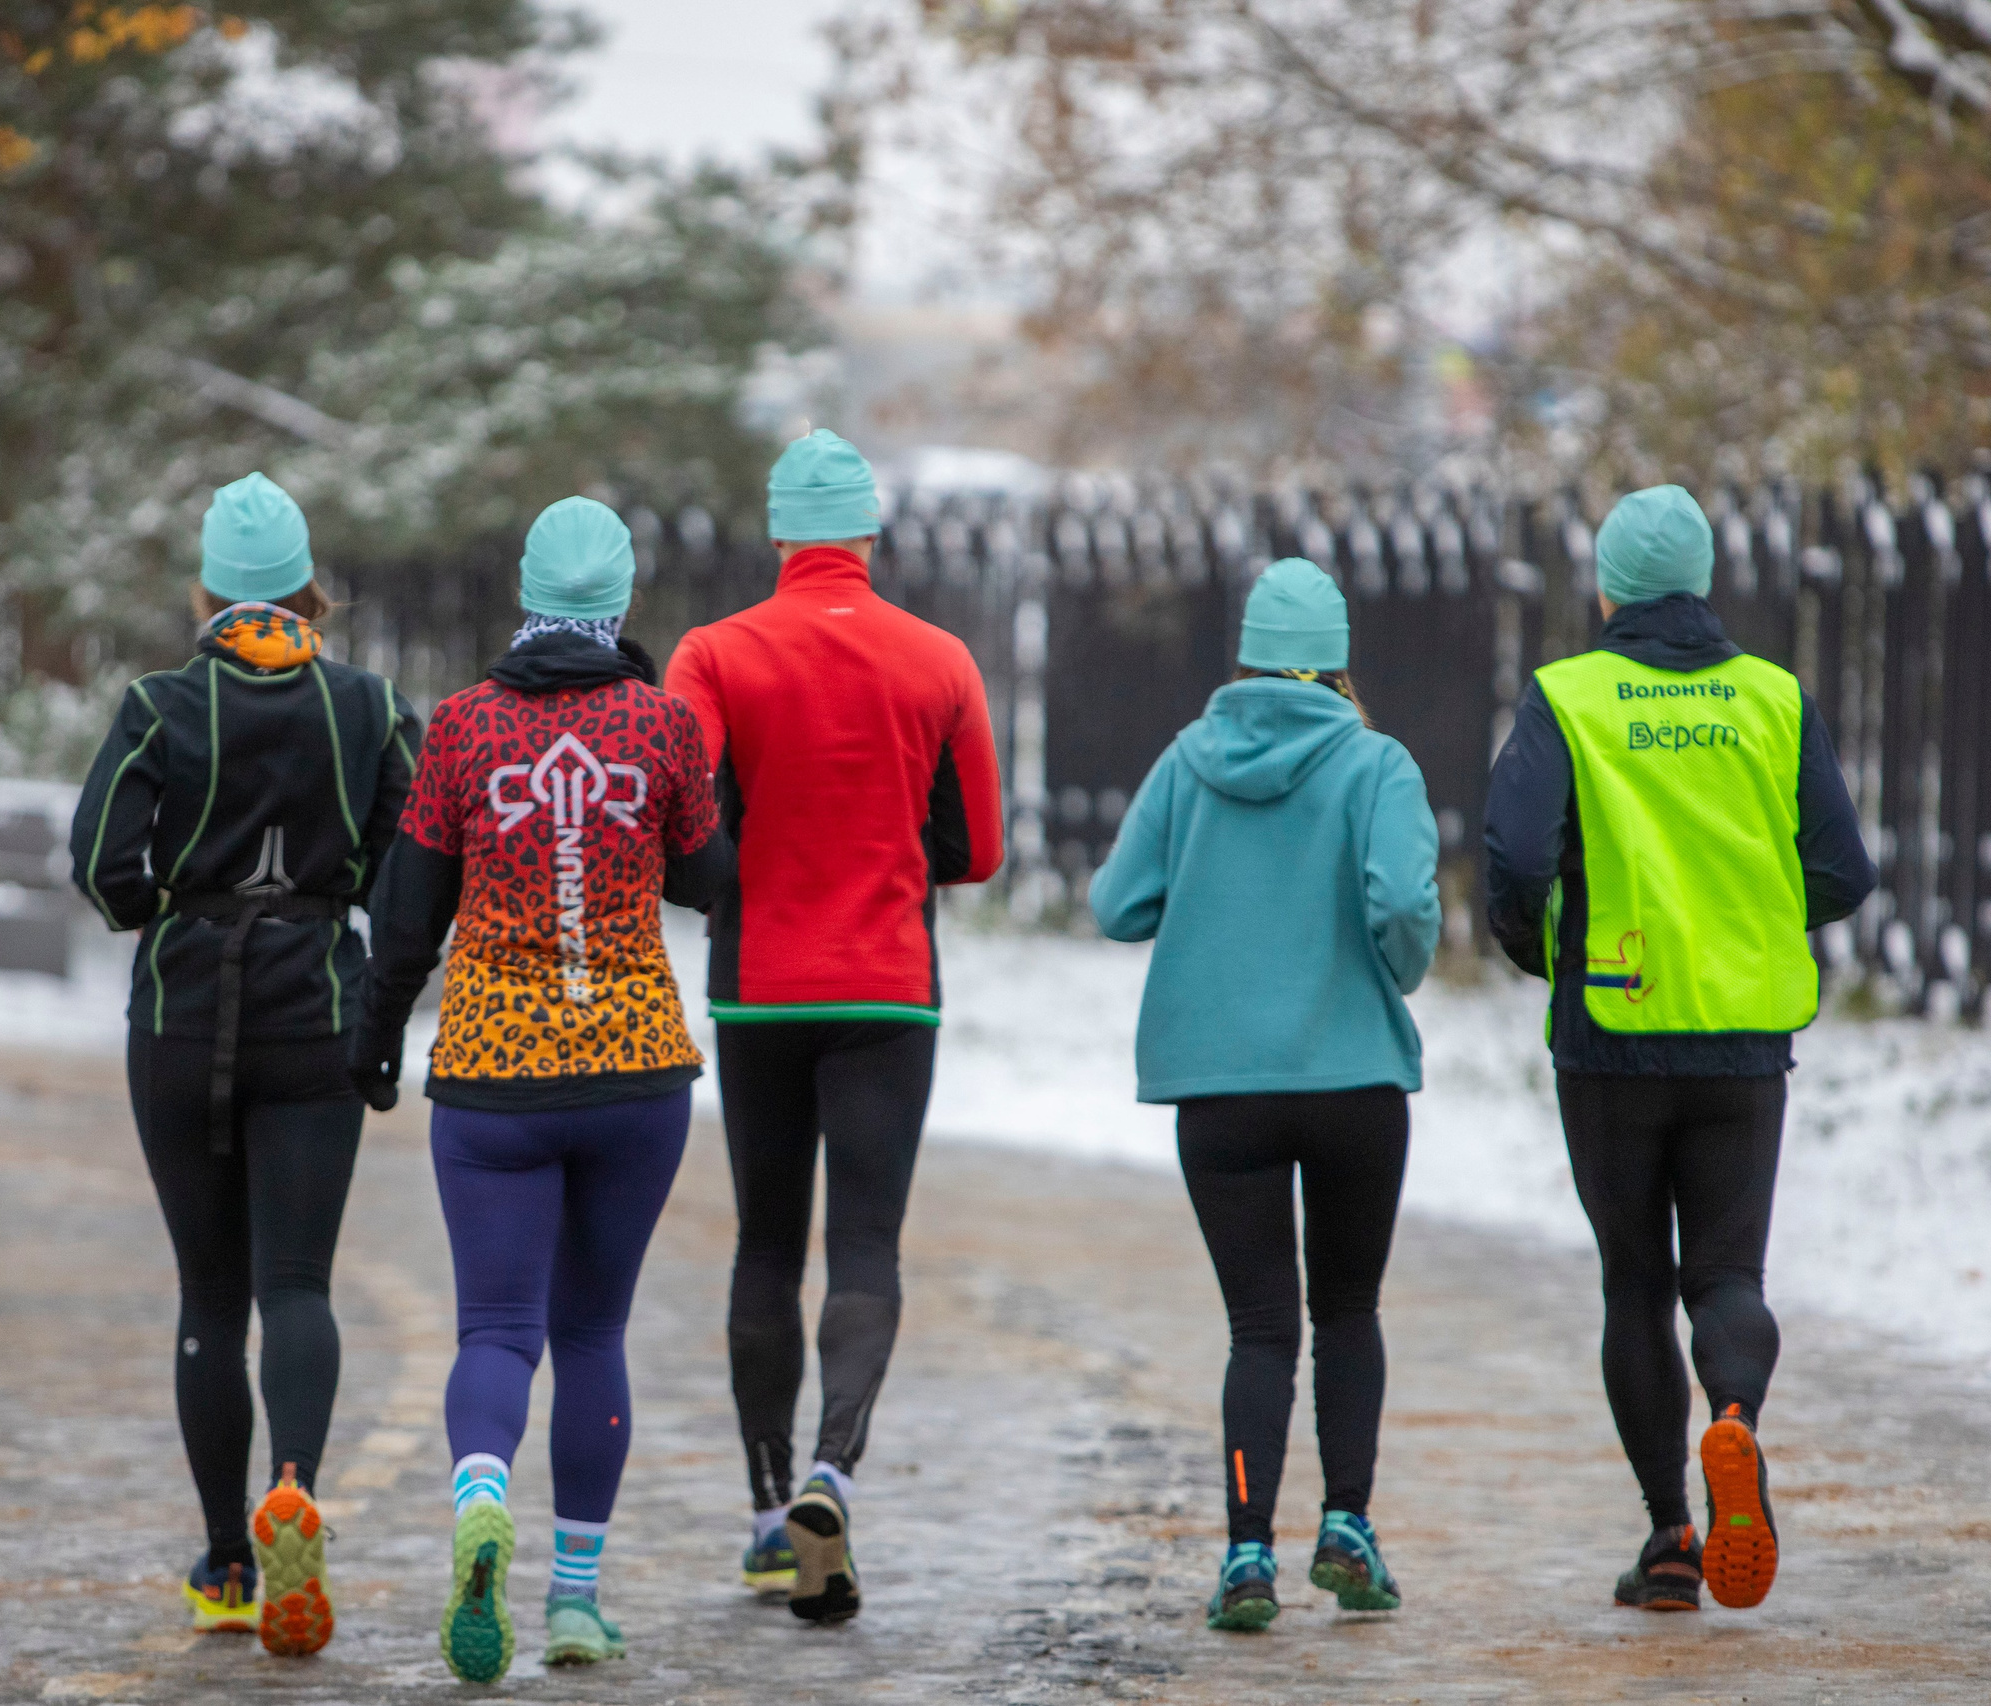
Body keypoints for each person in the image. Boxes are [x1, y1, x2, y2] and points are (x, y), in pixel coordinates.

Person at [349, 497, 734, 1681]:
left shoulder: (459, 731)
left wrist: (372, 1041)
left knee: (498, 1329)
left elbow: (404, 916)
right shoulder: (663, 726)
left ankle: (478, 1498)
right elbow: (710, 880)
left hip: (491, 1078)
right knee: (593, 1328)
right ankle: (574, 1597)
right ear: (621, 605)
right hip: (633, 1071)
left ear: (526, 595)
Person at [1484, 485, 1874, 1613]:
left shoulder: (1568, 696)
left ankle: (1666, 1537)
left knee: (1633, 1281)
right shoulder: (1773, 700)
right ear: (1701, 580)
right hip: (1744, 1033)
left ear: (1606, 585)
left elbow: (1512, 860)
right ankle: (1736, 1418)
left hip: (1610, 1029)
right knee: (1728, 1273)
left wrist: (1543, 951)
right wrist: (1742, 903)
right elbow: (1843, 871)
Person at [69, 471, 419, 1655]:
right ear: (307, 588)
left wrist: (172, 899)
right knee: (298, 1286)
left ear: (209, 589)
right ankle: (297, 1483)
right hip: (317, 1006)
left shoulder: (159, 703)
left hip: (184, 1012)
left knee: (209, 1295)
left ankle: (226, 1556)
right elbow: (410, 862)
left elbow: (103, 868)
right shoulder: (367, 704)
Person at [664, 429, 1005, 1624]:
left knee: (765, 1243)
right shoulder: (940, 659)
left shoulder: (712, 654)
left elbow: (682, 820)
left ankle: (767, 1518)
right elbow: (977, 849)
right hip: (886, 986)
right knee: (866, 1245)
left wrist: (739, 874)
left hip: (760, 988)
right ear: (867, 534)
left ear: (777, 536)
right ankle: (831, 1470)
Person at [1087, 557, 1441, 1632]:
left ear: (1243, 651)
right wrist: (1396, 961)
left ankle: (1245, 1554)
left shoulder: (1189, 761)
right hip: (1352, 1080)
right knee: (1346, 1310)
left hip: (1220, 1087)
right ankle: (1346, 1525)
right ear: (1337, 661)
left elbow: (1116, 903)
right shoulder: (1377, 764)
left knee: (1257, 1327)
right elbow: (1402, 903)